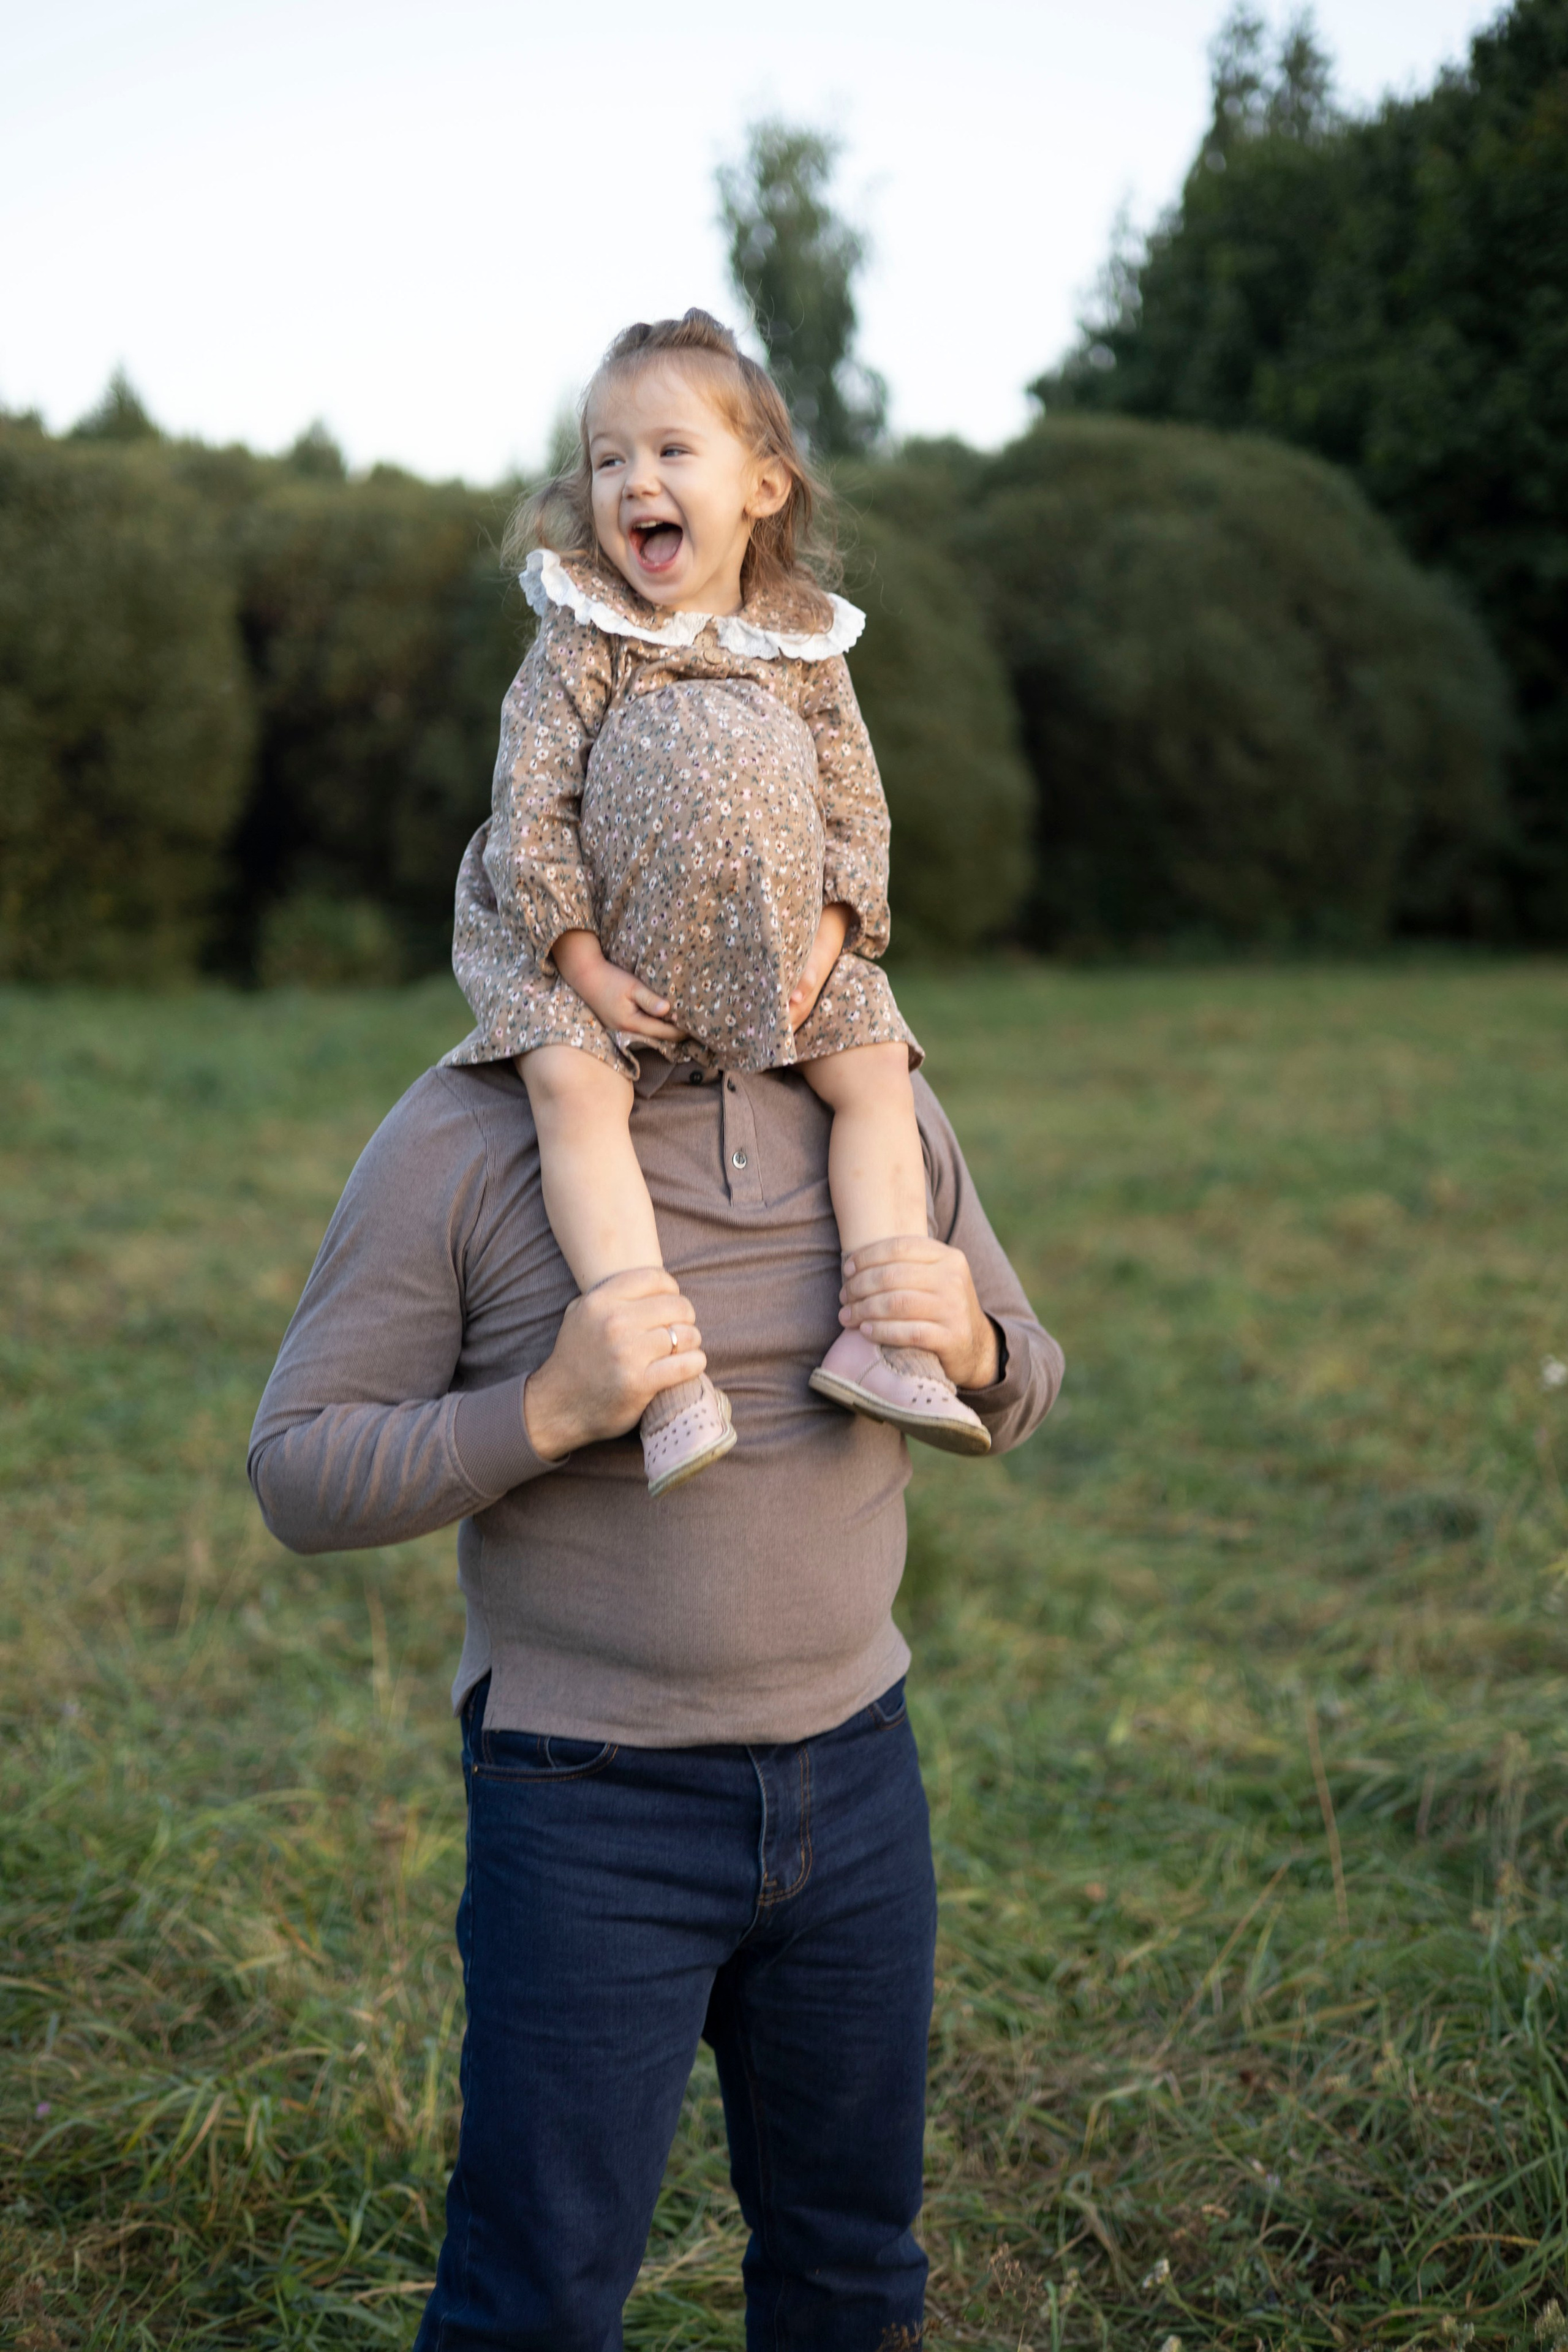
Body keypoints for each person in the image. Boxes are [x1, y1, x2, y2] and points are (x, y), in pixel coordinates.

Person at [248, 1033, 1063, 2348]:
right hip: (586, 1804)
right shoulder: (460, 1130)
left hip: (856, 1778)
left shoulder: (871, 1091)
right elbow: (296, 1471)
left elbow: (1023, 1371)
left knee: (852, 2262)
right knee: (542, 2298)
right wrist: (551, 1408)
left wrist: (973, 1344)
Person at [444, 307, 991, 1499]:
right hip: (582, 937)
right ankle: (658, 1370)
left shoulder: (803, 647)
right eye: (606, 458)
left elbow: (855, 812)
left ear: (761, 486)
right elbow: (530, 803)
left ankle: (887, 1327)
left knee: (875, 1074)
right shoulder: (583, 634)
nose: (634, 479)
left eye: (670, 451)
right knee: (572, 1090)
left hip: (781, 943)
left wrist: (825, 946)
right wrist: (581, 966)